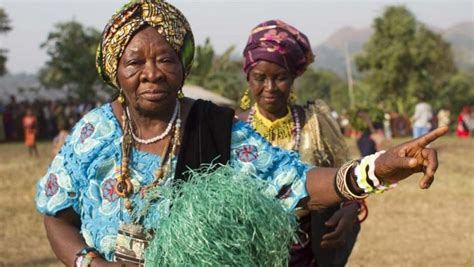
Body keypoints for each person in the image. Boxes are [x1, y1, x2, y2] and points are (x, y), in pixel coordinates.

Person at [35, 1, 447, 266]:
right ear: (114, 71)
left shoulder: (216, 129)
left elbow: (295, 182)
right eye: (134, 61)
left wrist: (379, 168)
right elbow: (56, 215)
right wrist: (90, 263)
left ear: (183, 67)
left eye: (165, 58)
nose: (151, 73)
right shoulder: (93, 133)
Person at [237, 19, 360, 267]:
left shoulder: (315, 123)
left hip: (305, 256)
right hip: (242, 252)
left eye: (280, 77)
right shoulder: (233, 127)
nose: (270, 88)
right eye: (260, 78)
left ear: (293, 77)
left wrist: (351, 210)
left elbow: (345, 177)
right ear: (248, 77)